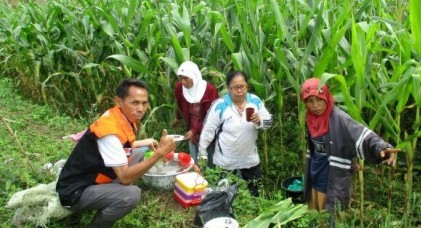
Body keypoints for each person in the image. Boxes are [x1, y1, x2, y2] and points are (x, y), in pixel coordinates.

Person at [56, 79, 176, 227]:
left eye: (144, 103)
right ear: (118, 101)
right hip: (75, 191)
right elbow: (125, 177)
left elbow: (122, 144)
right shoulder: (110, 131)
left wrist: (145, 141)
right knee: (131, 195)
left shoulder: (120, 116)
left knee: (139, 152)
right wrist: (160, 153)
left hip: (96, 175)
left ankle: (112, 194)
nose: (141, 109)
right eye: (135, 103)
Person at [301, 78, 400, 212]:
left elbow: (362, 135)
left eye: (319, 99)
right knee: (315, 212)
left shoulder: (339, 119)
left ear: (327, 97)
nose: (315, 105)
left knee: (330, 214)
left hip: (332, 176)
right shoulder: (311, 118)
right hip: (316, 172)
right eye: (310, 101)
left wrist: (381, 147)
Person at [198, 71, 273, 196]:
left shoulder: (255, 101)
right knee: (225, 194)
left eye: (242, 86)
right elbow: (208, 131)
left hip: (249, 158)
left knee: (255, 192)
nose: (239, 91)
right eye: (235, 87)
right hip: (226, 160)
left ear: (247, 86)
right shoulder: (219, 105)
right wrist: (202, 153)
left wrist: (260, 120)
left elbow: (269, 122)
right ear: (228, 88)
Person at [172, 61, 219, 163]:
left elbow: (211, 117)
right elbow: (179, 104)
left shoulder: (209, 90)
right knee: (195, 160)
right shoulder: (180, 88)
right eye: (181, 78)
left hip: (208, 131)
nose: (183, 82)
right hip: (192, 130)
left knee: (210, 160)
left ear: (194, 76)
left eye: (186, 78)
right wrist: (178, 118)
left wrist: (194, 130)